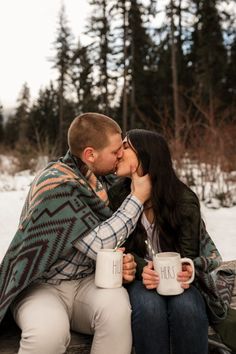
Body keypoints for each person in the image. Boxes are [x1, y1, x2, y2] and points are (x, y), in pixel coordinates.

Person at [0, 113, 151, 354]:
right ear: (90, 154)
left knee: (117, 311)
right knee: (48, 334)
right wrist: (138, 198)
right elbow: (100, 242)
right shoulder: (56, 184)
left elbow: (108, 239)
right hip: (41, 285)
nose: (120, 154)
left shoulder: (96, 180)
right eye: (114, 151)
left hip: (84, 283)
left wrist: (120, 263)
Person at [108, 129, 209, 354]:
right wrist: (142, 268)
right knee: (149, 306)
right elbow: (115, 246)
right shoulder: (116, 196)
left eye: (125, 146)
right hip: (137, 279)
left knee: (188, 307)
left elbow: (189, 254)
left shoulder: (183, 199)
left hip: (176, 281)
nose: (118, 152)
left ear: (145, 154)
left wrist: (184, 269)